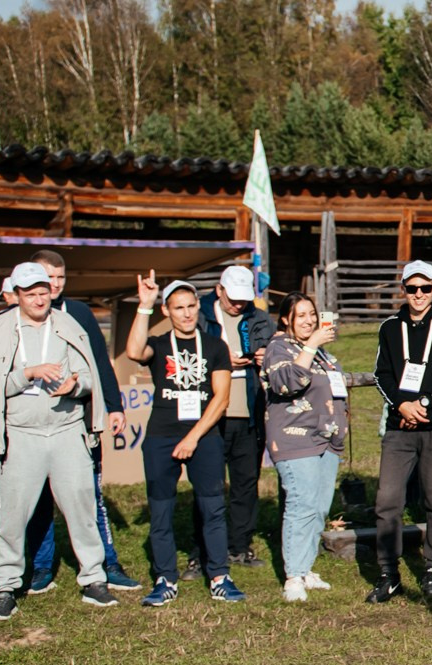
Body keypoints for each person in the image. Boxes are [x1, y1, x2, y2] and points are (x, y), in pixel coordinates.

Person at [0, 262, 113, 620]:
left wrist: (75, 385)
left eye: (43, 293)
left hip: (67, 430)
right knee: (12, 514)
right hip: (21, 433)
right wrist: (28, 374)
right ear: (16, 295)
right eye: (31, 294)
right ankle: (5, 585)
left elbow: (90, 376)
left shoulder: (68, 325)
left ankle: (94, 578)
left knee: (81, 507)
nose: (39, 300)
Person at [125, 273, 243, 607]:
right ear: (167, 311)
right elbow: (133, 350)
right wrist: (144, 306)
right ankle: (165, 578)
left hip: (203, 436)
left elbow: (221, 399)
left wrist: (193, 438)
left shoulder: (215, 345)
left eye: (191, 306)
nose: (187, 313)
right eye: (179, 308)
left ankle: (219, 576)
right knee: (161, 509)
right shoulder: (160, 344)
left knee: (212, 507)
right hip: (161, 436)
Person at [29, 248, 141, 589]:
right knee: (39, 494)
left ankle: (107, 562)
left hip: (80, 417)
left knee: (90, 491)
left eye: (60, 277)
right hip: (35, 421)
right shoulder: (18, 315)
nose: (55, 284)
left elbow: (100, 361)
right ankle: (40, 566)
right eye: (48, 277)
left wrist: (115, 406)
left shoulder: (78, 312)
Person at [371, 259, 432, 603]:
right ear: (403, 290)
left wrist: (424, 402)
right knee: (387, 501)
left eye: (425, 287)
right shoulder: (389, 327)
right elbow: (381, 374)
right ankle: (388, 572)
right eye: (412, 288)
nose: (418, 294)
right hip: (399, 428)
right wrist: (402, 405)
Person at [263, 292, 347, 603]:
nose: (309, 320)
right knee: (301, 504)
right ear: (286, 319)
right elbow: (287, 382)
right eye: (301, 315)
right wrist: (311, 345)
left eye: (312, 314)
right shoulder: (278, 348)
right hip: (295, 439)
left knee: (319, 507)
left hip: (326, 439)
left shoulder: (321, 353)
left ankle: (306, 566)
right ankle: (293, 576)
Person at [201, 265, 275, 571]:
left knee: (246, 482)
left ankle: (240, 545)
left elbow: (276, 355)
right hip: (211, 413)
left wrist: (265, 356)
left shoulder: (260, 319)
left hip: (248, 412)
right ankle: (204, 548)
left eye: (243, 299)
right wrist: (221, 360)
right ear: (219, 290)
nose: (237, 305)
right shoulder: (202, 316)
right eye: (232, 299)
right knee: (209, 484)